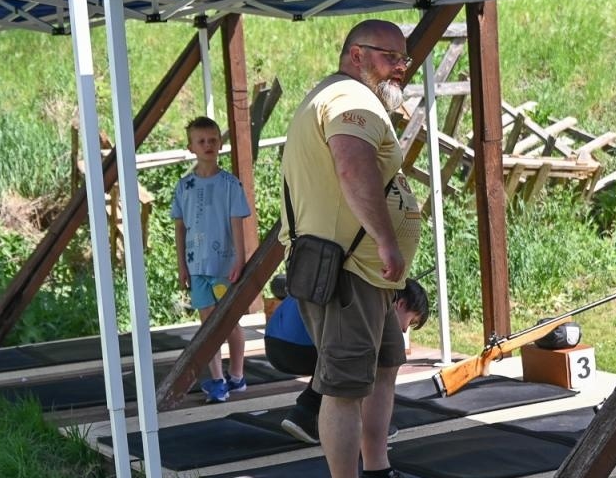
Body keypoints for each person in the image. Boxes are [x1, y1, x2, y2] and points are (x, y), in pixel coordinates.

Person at [279, 20, 427, 478]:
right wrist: (387, 240)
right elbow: (352, 165)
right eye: (392, 58)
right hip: (349, 269)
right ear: (358, 55)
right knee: (343, 387)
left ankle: (377, 472)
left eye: (405, 60)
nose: (402, 70)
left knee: (383, 367)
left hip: (362, 271)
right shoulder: (352, 100)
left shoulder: (346, 97)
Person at [267, 277, 429, 445]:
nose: (403, 330)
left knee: (346, 347)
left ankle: (307, 410)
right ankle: (311, 414)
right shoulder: (372, 296)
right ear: (400, 304)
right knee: (370, 356)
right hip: (302, 348)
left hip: (274, 341)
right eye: (410, 322)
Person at [171, 116, 252, 403]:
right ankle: (217, 380)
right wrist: (182, 264)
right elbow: (180, 227)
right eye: (201, 141)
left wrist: (239, 261)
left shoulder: (230, 184)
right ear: (191, 147)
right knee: (208, 327)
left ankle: (237, 375)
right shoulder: (184, 187)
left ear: (220, 143)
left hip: (224, 268)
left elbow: (236, 224)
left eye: (212, 140)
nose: (208, 145)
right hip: (197, 268)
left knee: (229, 322)